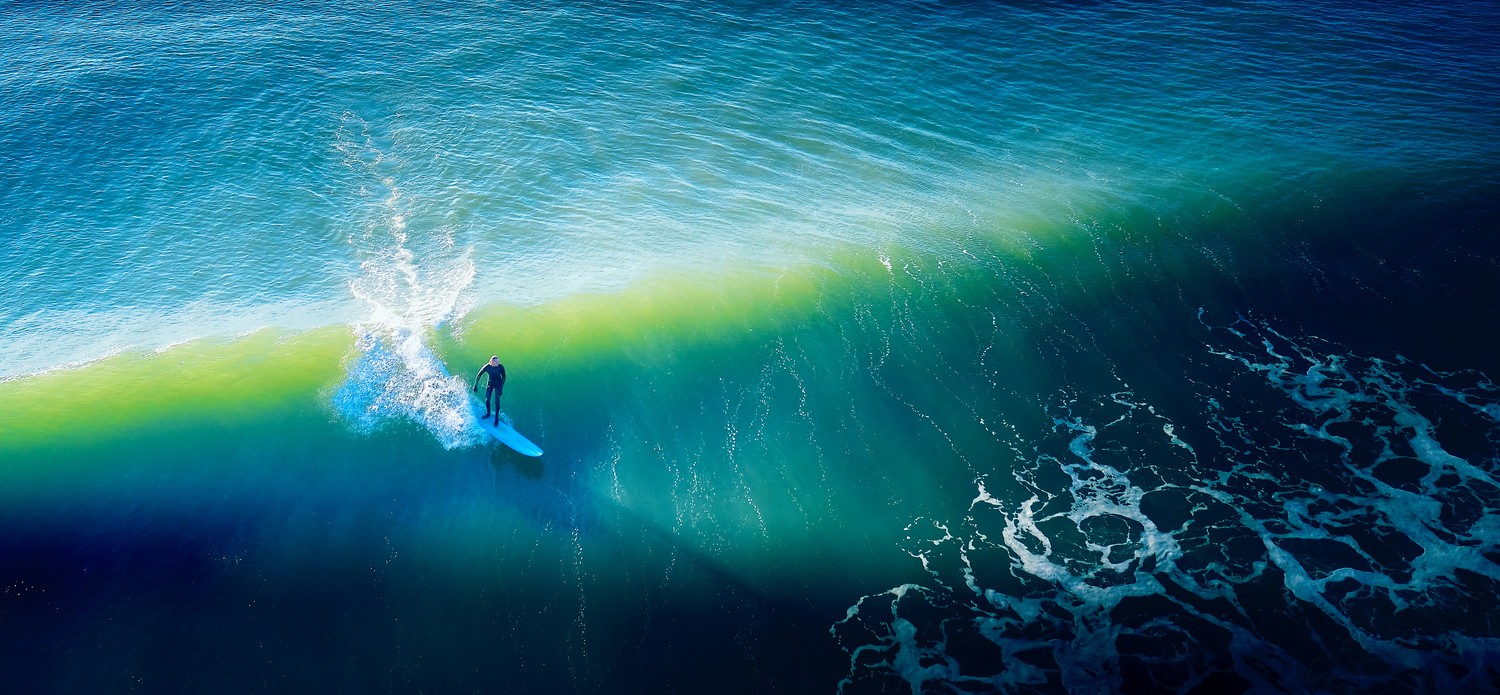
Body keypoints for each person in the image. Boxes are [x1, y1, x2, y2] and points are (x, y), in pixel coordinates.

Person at [473, 355, 506, 425]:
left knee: (496, 401)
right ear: (492, 362)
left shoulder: (500, 367)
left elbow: (504, 377)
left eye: (498, 361)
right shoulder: (487, 367)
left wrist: (501, 387)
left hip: (498, 385)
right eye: (496, 362)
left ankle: (496, 417)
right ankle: (488, 413)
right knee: (487, 399)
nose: (498, 363)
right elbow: (479, 374)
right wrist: (475, 385)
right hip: (490, 384)